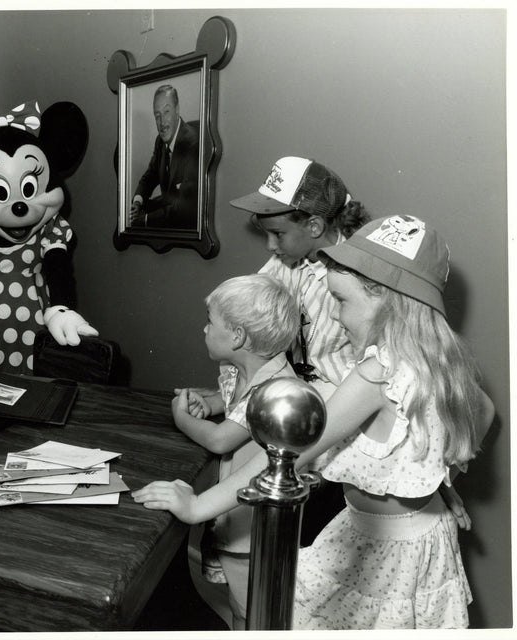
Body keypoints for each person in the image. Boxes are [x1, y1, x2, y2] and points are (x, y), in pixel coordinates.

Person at [132, 214, 495, 630]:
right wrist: (432, 481)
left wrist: (198, 507)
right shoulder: (442, 359)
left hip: (385, 552)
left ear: (385, 299)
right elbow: (482, 413)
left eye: (342, 301)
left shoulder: (376, 372)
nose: (336, 317)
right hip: (424, 538)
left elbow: (290, 453)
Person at [229, 156, 372, 546]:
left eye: (277, 234)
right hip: (295, 414)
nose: (271, 246)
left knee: (316, 542)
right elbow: (249, 314)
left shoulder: (361, 276)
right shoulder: (285, 262)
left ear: (314, 226)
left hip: (343, 430)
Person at [172, 273, 300, 629]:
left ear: (238, 336)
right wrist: (209, 403)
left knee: (251, 609)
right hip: (237, 513)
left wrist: (182, 418)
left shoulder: (273, 390)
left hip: (253, 527)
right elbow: (233, 404)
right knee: (239, 602)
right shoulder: (246, 371)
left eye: (210, 322)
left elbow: (220, 439)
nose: (204, 329)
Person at [130, 84, 199, 229]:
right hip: (168, 216)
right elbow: (149, 177)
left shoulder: (193, 143)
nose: (162, 123)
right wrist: (137, 202)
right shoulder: (160, 142)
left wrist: (145, 220)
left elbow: (184, 208)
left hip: (185, 226)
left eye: (166, 112)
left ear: (177, 110)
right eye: (157, 115)